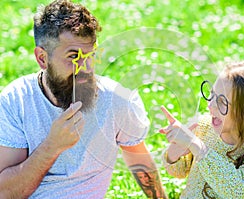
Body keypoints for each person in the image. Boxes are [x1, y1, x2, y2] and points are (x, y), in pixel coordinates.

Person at [0, 0, 166, 198]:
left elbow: (141, 163)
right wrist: (51, 147)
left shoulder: (117, 101)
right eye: (73, 56)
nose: (86, 68)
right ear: (42, 58)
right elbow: (6, 192)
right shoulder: (16, 102)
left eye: (90, 56)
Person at [159, 61, 244, 198]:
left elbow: (238, 191)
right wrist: (174, 153)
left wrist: (197, 147)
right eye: (212, 94)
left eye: (222, 101)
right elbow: (179, 171)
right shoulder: (204, 127)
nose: (211, 105)